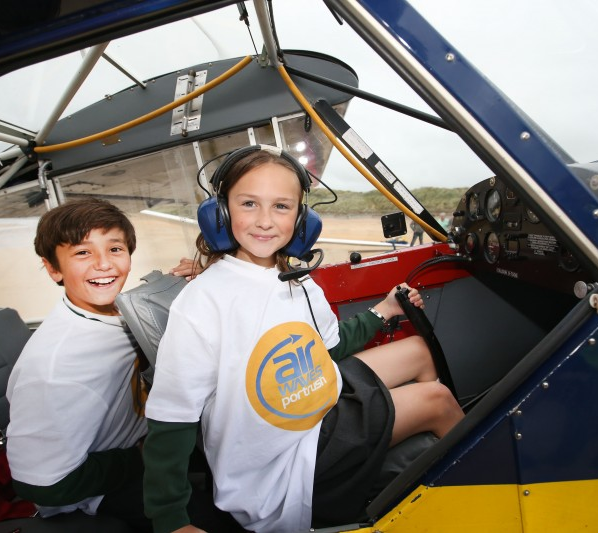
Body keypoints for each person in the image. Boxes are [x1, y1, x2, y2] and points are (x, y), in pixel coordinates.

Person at [143, 146, 463, 533]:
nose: (264, 221)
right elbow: (172, 416)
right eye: (248, 204)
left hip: (314, 397)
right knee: (438, 399)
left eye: (281, 206)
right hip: (287, 459)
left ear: (301, 219)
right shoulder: (205, 299)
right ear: (221, 213)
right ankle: (479, 485)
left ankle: (425, 457)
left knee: (416, 349)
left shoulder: (296, 279)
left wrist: (385, 310)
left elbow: (329, 346)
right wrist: (170, 519)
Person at [6, 198, 222, 531]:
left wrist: (209, 285)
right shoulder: (54, 368)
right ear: (53, 268)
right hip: (104, 486)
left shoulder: (122, 311)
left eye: (115, 249)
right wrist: (140, 457)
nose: (104, 265)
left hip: (147, 440)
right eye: (82, 253)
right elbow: (43, 484)